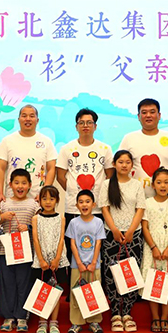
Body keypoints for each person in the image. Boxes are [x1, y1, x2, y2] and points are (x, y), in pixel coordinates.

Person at [57, 108, 113, 265]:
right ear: (76, 126)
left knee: (97, 248)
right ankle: (75, 279)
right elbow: (60, 176)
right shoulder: (66, 148)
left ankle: (96, 279)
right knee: (73, 248)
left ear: (95, 126)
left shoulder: (105, 149)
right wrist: (75, 194)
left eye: (89, 122)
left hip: (98, 209)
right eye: (81, 123)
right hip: (73, 208)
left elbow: (110, 176)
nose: (85, 126)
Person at [99, 150, 146, 333]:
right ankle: (115, 314)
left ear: (132, 165)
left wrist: (131, 230)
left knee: (130, 273)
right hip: (112, 234)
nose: (124, 165)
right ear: (114, 164)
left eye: (127, 162)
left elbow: (140, 209)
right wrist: (115, 230)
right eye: (120, 162)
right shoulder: (106, 184)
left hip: (134, 235)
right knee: (111, 273)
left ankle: (127, 313)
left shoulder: (137, 185)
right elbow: (105, 209)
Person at [0, 168, 40, 332]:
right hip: (6, 252)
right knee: (7, 284)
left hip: (26, 253)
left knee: (24, 283)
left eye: (23, 183)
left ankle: (22, 317)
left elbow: (39, 226)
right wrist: (2, 218)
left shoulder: (34, 205)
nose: (20, 186)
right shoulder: (4, 204)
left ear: (29, 185)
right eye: (16, 183)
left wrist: (28, 227)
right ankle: (8, 316)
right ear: (10, 184)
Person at [141, 167, 168, 333]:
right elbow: (145, 227)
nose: (163, 185)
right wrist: (153, 247)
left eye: (166, 182)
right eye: (159, 182)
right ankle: (155, 318)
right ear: (153, 185)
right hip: (152, 246)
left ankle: (164, 318)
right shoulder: (147, 203)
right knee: (153, 282)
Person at [119, 99, 168, 199]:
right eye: (144, 112)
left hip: (165, 198)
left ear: (159, 115)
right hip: (134, 198)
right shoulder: (129, 138)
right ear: (138, 116)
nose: (148, 115)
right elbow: (119, 169)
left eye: (152, 112)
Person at [0, 105, 57, 202]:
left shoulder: (46, 141)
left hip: (37, 198)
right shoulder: (7, 141)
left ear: (37, 120)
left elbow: (51, 168)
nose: (28, 119)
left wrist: (44, 193)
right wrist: (0, 193)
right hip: (12, 198)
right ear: (19, 119)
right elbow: (0, 168)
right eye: (24, 116)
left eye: (32, 116)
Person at [65, 189, 106, 333]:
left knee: (94, 293)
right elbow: (72, 244)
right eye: (81, 202)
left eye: (87, 202)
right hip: (77, 265)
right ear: (76, 205)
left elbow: (98, 243)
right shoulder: (73, 222)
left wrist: (94, 262)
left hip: (94, 265)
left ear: (93, 204)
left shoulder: (98, 222)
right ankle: (76, 322)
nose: (84, 205)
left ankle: (94, 321)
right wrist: (79, 263)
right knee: (76, 292)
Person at [31, 185, 70, 333]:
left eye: (51, 199)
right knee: (43, 291)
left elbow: (61, 239)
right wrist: (41, 259)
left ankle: (53, 323)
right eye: (44, 198)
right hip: (41, 261)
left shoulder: (61, 218)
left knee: (55, 292)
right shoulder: (36, 218)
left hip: (57, 261)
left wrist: (57, 259)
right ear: (40, 201)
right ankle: (42, 322)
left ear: (57, 200)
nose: (48, 202)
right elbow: (35, 239)